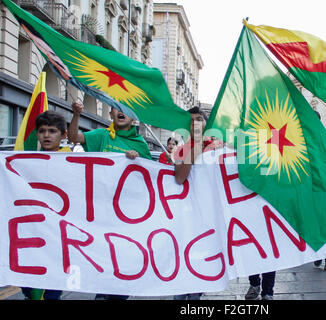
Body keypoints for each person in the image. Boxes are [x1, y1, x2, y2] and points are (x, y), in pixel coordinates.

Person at [68, 101, 152, 300]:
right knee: (104, 259)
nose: (121, 112)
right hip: (101, 212)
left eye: (126, 109)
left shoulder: (141, 144)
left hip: (126, 216)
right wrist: (76, 115)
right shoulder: (101, 135)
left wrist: (139, 160)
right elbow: (73, 137)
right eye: (117, 108)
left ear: (133, 118)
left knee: (122, 260)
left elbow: (150, 177)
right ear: (111, 114)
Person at [21, 110, 70, 300]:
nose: (46, 135)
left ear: (63, 135)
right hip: (31, 230)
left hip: (59, 234)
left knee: (52, 287)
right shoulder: (24, 160)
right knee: (29, 282)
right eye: (42, 131)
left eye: (52, 131)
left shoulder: (74, 161)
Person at [172, 106, 212, 300]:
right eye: (191, 120)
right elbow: (179, 179)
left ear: (206, 123)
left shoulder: (219, 148)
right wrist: (192, 150)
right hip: (186, 217)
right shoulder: (181, 150)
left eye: (198, 119)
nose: (195, 123)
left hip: (210, 219)